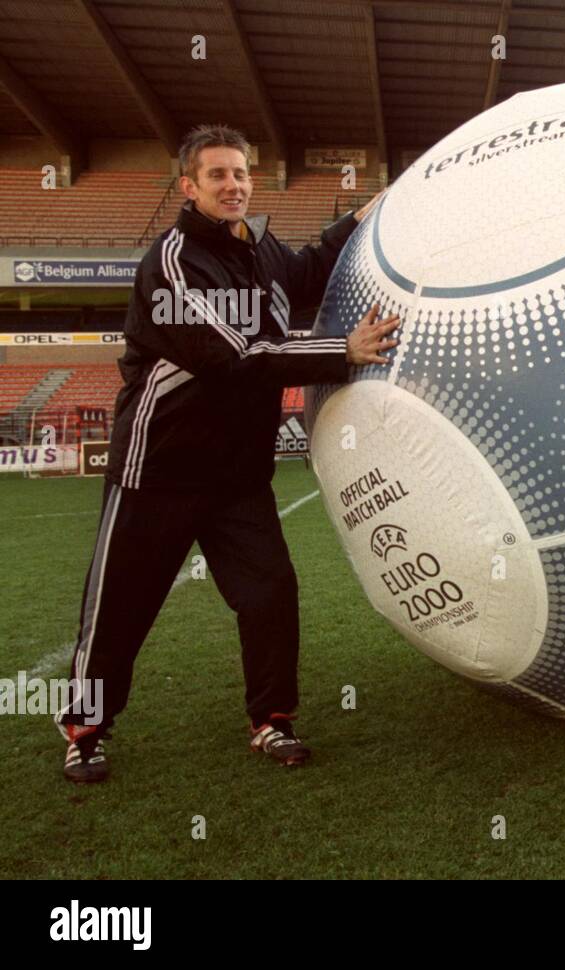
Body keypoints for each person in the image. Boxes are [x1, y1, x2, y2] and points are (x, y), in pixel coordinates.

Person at [57, 124, 399, 782]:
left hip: (236, 477)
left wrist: (367, 213)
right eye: (217, 175)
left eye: (240, 173)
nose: (233, 184)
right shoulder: (175, 259)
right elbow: (230, 355)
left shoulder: (260, 245)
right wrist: (342, 352)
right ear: (189, 187)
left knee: (270, 592)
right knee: (119, 608)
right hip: (157, 471)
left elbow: (305, 270)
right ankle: (85, 728)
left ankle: (272, 721)